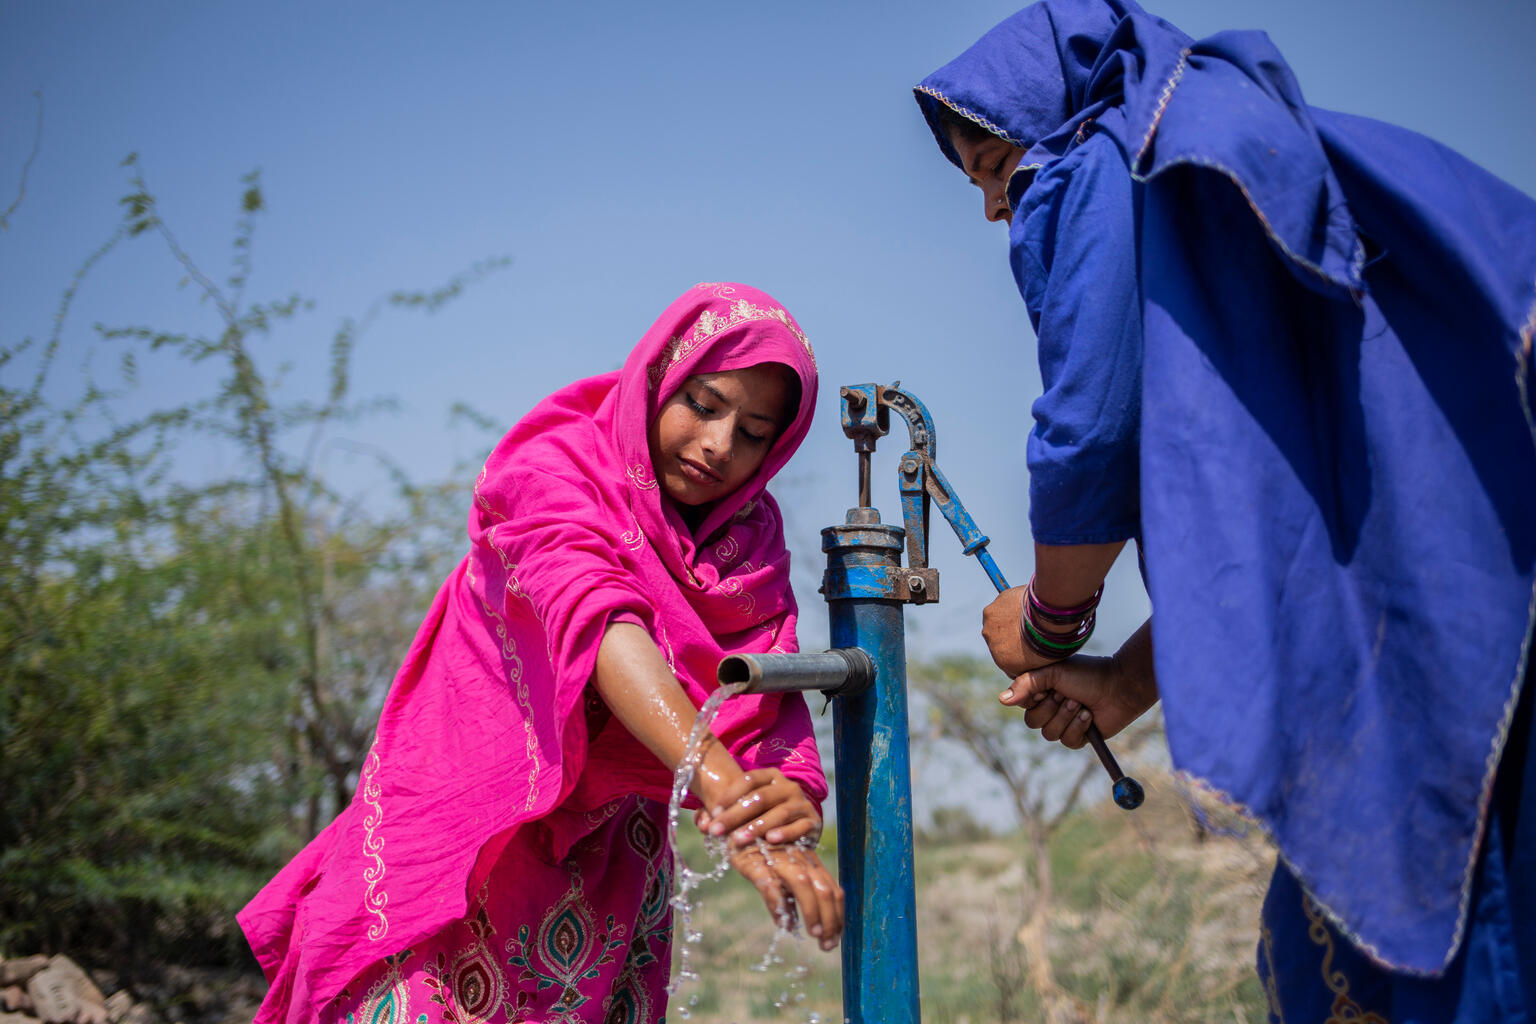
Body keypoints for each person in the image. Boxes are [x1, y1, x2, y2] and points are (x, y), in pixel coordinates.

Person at [914, 1, 1536, 1019]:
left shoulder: (1105, 167)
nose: (993, 210)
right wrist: (1118, 679)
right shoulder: (1248, 220)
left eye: (993, 171)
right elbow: (1303, 546)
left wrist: (1047, 619)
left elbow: (1091, 431)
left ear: (1063, 132)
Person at [238, 282, 843, 1024]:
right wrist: (726, 790)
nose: (720, 445)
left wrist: (788, 807)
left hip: (610, 864)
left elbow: (764, 686)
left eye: (753, 432)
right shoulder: (553, 467)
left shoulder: (748, 545)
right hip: (472, 835)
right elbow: (598, 621)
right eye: (705, 405)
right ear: (658, 382)